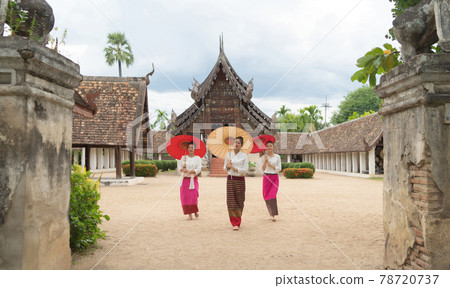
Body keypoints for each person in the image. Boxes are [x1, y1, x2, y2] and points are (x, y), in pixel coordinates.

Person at [223, 136, 248, 231]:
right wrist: (228, 166)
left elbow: (245, 170)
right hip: (230, 179)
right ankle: (234, 222)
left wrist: (235, 168)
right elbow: (224, 169)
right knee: (231, 201)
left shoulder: (244, 156)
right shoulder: (228, 155)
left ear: (241, 145)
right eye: (235, 142)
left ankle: (238, 218)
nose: (236, 144)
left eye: (238, 142)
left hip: (240, 180)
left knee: (240, 200)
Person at [179, 142, 202, 220]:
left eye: (192, 147)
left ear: (194, 149)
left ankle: (195, 210)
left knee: (194, 195)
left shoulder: (197, 158)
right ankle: (189, 214)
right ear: (187, 149)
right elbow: (179, 168)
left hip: (193, 179)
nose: (190, 149)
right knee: (185, 197)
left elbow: (198, 169)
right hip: (184, 180)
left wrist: (189, 171)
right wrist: (182, 168)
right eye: (189, 147)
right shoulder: (183, 158)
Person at [261, 141, 281, 221]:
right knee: (266, 195)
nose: (269, 147)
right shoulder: (263, 157)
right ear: (265, 148)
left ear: (273, 147)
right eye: (267, 146)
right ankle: (270, 213)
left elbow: (279, 169)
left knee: (272, 195)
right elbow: (262, 169)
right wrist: (265, 162)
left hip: (274, 177)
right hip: (266, 176)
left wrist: (271, 166)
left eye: (270, 146)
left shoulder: (277, 157)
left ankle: (273, 215)